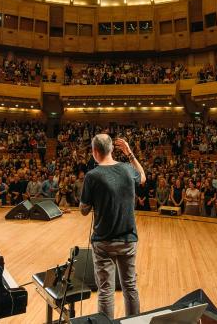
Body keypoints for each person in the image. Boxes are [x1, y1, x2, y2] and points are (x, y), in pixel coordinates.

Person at [79, 134, 143, 319]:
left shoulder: (92, 176)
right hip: (128, 239)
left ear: (94, 152)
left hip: (103, 242)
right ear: (112, 149)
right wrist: (130, 153)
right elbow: (143, 177)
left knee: (106, 290)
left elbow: (84, 210)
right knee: (130, 287)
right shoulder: (127, 169)